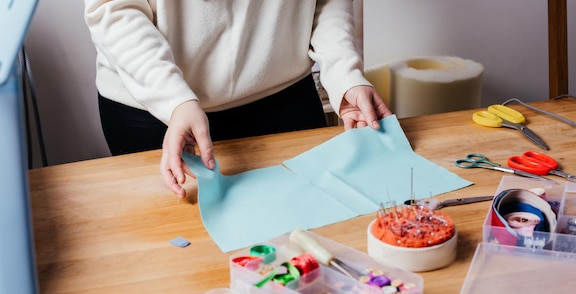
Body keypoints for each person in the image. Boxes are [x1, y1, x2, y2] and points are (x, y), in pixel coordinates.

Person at [84, 1, 391, 199]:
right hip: (155, 108)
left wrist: (343, 72)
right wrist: (172, 98)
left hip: (283, 97)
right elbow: (115, 9)